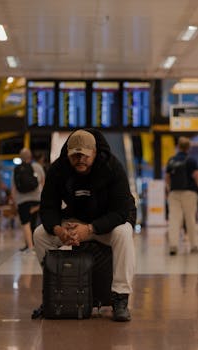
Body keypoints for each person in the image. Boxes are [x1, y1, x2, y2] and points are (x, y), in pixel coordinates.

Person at [33, 129, 136, 322]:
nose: (80, 159)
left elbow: (121, 212)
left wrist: (89, 229)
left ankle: (120, 298)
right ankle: (56, 289)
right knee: (40, 235)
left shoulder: (112, 167)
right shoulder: (58, 170)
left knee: (124, 233)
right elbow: (48, 208)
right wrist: (59, 230)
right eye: (75, 155)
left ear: (95, 153)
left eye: (85, 155)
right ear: (68, 154)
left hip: (107, 224)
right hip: (77, 221)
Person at [165, 136, 198, 255]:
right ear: (188, 148)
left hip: (174, 193)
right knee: (190, 218)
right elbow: (196, 176)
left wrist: (170, 190)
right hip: (189, 193)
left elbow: (167, 178)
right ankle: (194, 246)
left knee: (174, 219)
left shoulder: (171, 160)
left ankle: (173, 246)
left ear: (178, 146)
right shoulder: (191, 161)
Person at [11, 148, 45, 253]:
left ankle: (30, 246)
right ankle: (32, 245)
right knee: (34, 222)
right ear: (30, 157)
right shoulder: (37, 167)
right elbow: (43, 183)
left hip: (22, 200)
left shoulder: (17, 169)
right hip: (36, 199)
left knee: (25, 223)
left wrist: (14, 201)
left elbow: (14, 187)